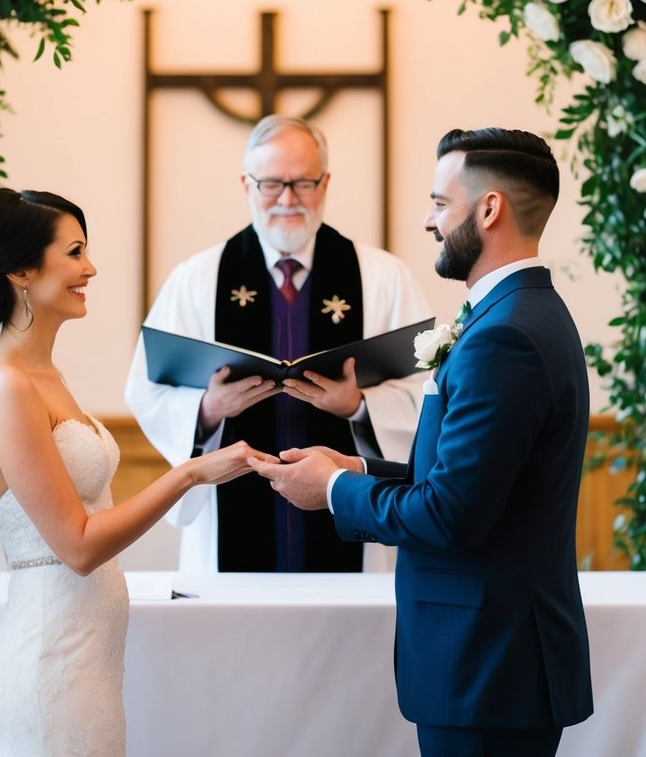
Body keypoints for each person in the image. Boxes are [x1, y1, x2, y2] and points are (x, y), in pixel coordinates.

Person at [250, 127, 594, 756]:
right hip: (493, 660)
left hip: (489, 664)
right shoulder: (517, 314)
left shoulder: (505, 336)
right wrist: (357, 464)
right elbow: (468, 479)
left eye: (440, 203)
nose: (428, 221)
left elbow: (449, 515)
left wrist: (332, 490)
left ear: (489, 209)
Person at [0, 188, 269, 756]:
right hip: (50, 659)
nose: (90, 268)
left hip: (86, 653)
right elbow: (79, 545)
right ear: (21, 269)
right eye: (75, 252)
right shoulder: (8, 387)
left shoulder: (45, 374)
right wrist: (188, 475)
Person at [125, 114, 432, 573]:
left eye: (304, 183)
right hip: (230, 522)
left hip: (347, 523)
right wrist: (209, 408)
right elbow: (145, 390)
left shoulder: (382, 278)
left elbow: (429, 389)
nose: (287, 199)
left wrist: (360, 406)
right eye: (271, 184)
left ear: (325, 184)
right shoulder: (197, 280)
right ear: (246, 185)